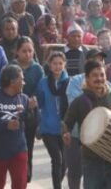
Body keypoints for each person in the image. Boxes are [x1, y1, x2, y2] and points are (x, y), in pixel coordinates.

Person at [62, 59, 111, 189]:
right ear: (87, 78)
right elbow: (67, 123)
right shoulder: (80, 101)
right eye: (95, 75)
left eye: (102, 75)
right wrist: (66, 134)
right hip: (91, 158)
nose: (99, 79)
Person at [0, 65, 36, 189]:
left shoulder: (24, 99)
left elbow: (30, 124)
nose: (24, 83)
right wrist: (5, 124)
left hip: (18, 150)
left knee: (21, 184)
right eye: (21, 79)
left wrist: (32, 110)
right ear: (12, 81)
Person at [13, 37, 45, 183]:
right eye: (24, 51)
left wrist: (34, 102)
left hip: (31, 114)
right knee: (15, 149)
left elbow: (41, 89)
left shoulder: (37, 69)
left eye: (30, 51)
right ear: (17, 52)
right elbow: (5, 88)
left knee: (27, 147)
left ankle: (25, 178)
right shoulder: (11, 68)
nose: (27, 54)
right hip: (13, 112)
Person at [37, 52, 70, 189]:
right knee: (57, 159)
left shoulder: (70, 82)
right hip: (48, 128)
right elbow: (40, 103)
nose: (57, 67)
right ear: (49, 66)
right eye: (54, 64)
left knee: (64, 163)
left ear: (64, 65)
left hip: (64, 128)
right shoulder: (43, 83)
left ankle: (57, 184)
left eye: (60, 64)